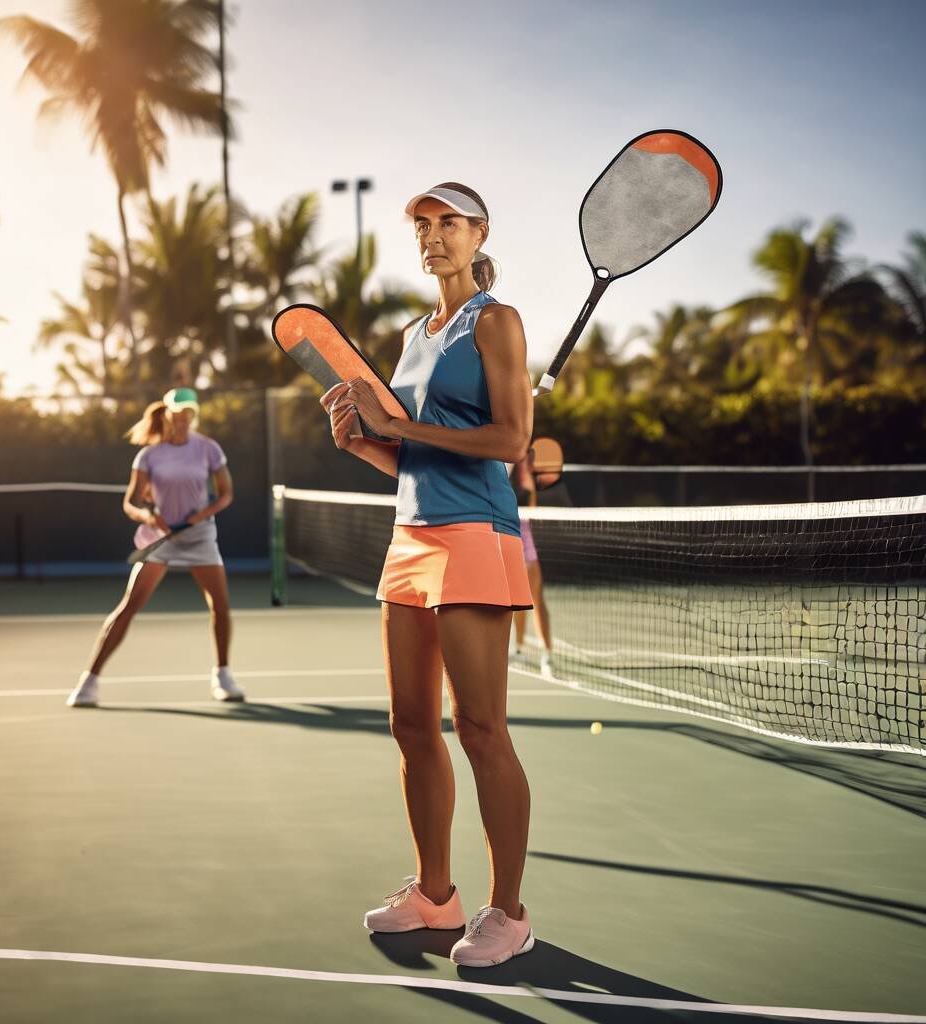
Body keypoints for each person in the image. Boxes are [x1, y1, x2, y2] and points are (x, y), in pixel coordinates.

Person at [321, 183, 535, 967]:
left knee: (480, 729)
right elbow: (410, 453)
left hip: (476, 535)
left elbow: (511, 439)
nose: (434, 235)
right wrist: (364, 445)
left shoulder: (497, 321)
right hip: (409, 538)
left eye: (450, 222)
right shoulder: (414, 334)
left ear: (479, 235)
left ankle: (508, 913)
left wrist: (400, 425)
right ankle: (435, 894)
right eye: (423, 224)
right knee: (411, 727)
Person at [66, 387, 243, 708]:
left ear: (194, 414)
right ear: (168, 413)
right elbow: (130, 502)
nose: (184, 417)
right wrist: (148, 516)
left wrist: (201, 515)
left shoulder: (208, 449)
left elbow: (226, 493)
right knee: (128, 607)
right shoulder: (149, 455)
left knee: (220, 606)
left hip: (199, 536)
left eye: (190, 412)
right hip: (160, 539)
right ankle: (88, 681)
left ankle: (223, 675)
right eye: (179, 411)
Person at [510, 448, 554, 679]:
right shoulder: (503, 480)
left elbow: (532, 509)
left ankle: (547, 654)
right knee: (518, 602)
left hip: (527, 549)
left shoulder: (527, 487)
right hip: (507, 546)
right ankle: (518, 648)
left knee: (536, 600)